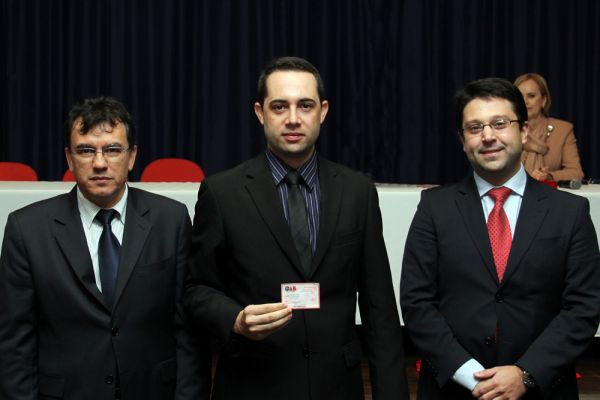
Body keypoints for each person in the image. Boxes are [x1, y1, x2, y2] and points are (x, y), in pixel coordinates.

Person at [184, 56, 409, 400]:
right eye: (279, 106)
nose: (292, 118)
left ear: (323, 111)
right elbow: (196, 288)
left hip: (337, 387)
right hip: (254, 385)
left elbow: (379, 308)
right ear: (260, 113)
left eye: (305, 105)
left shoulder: (357, 191)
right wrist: (235, 318)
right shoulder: (222, 193)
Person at [400, 78, 600, 399]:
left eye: (500, 124)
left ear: (524, 131)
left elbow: (584, 308)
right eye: (475, 127)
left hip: (542, 389)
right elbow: (417, 303)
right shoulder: (434, 208)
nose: (488, 136)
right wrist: (471, 376)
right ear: (463, 140)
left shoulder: (570, 212)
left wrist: (526, 374)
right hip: (455, 390)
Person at [0, 97, 210, 399]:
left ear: (132, 156)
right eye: (86, 150)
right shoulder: (27, 229)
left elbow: (189, 332)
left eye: (112, 150)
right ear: (69, 158)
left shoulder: (171, 220)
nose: (99, 163)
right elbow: (14, 345)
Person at [514, 72, 584, 182]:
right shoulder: (507, 129)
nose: (525, 101)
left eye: (531, 96)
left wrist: (549, 176)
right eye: (520, 97)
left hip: (546, 190)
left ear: (543, 100)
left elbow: (576, 172)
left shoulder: (563, 129)